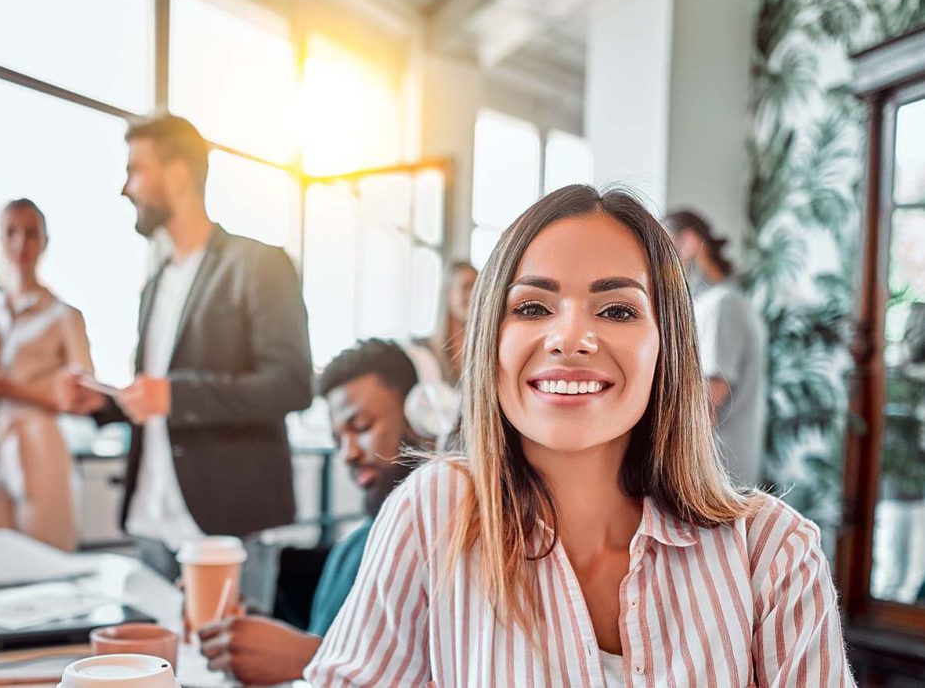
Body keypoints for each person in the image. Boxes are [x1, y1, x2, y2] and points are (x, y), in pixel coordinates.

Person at [306, 186, 853, 686]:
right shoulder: (435, 513)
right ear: (491, 342)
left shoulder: (774, 553)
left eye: (617, 310)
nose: (569, 337)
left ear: (668, 348)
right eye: (531, 307)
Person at [57, 114, 313, 575]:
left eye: (136, 170)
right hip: (150, 522)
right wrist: (104, 403)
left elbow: (292, 384)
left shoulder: (259, 264)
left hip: (228, 524)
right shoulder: (155, 285)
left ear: (177, 176)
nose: (126, 188)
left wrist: (176, 394)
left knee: (228, 651)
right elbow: (155, 399)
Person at [197, 339, 424, 685]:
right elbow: (326, 638)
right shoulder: (356, 545)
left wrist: (309, 658)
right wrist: (256, 638)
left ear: (420, 414)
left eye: (361, 427)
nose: (347, 453)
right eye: (337, 440)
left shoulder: (447, 546)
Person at [0, 198, 93, 550]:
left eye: (31, 234)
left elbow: (85, 395)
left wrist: (13, 390)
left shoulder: (64, 316)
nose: (20, 244)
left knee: (45, 553)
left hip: (39, 444)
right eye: (11, 232)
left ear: (44, 242)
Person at [667, 209, 767, 484]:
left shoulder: (722, 306)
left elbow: (705, 404)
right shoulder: (717, 303)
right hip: (717, 473)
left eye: (664, 248)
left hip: (717, 475)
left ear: (687, 243)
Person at [404, 262, 477, 445]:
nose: (473, 294)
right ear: (448, 293)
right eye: (465, 287)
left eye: (477, 287)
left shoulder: (484, 349)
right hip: (429, 448)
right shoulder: (422, 350)